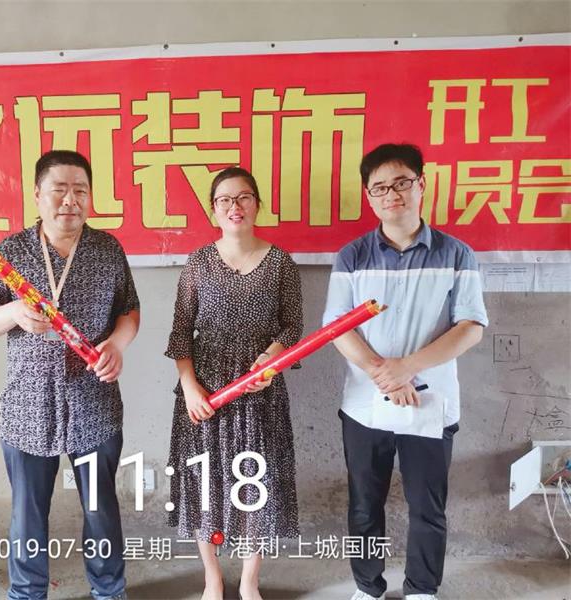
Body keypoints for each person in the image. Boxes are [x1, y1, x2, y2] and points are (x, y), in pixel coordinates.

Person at [0, 150, 140, 600]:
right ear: (37, 195)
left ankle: (109, 591)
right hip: (28, 407)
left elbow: (129, 311)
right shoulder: (12, 252)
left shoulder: (107, 250)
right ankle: (27, 594)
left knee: (100, 510)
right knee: (28, 514)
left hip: (94, 404)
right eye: (59, 189)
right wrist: (12, 312)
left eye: (80, 190)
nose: (70, 200)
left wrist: (116, 345)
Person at [323, 143, 488, 600]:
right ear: (368, 196)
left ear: (421, 185)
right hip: (364, 404)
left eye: (401, 183)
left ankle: (421, 589)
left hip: (430, 401)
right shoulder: (353, 256)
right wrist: (384, 374)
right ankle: (367, 587)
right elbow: (336, 328)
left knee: (427, 507)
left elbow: (471, 327)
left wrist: (407, 368)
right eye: (379, 187)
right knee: (364, 505)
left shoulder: (456, 254)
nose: (391, 194)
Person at [165, 166, 302, 600]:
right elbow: (180, 332)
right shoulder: (198, 263)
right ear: (213, 210)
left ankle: (248, 581)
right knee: (203, 486)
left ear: (258, 204)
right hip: (205, 393)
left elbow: (293, 326)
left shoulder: (280, 263)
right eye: (224, 200)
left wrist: (271, 360)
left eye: (243, 197)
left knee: (254, 485)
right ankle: (212, 578)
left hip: (259, 392)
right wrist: (190, 386)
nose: (234, 206)